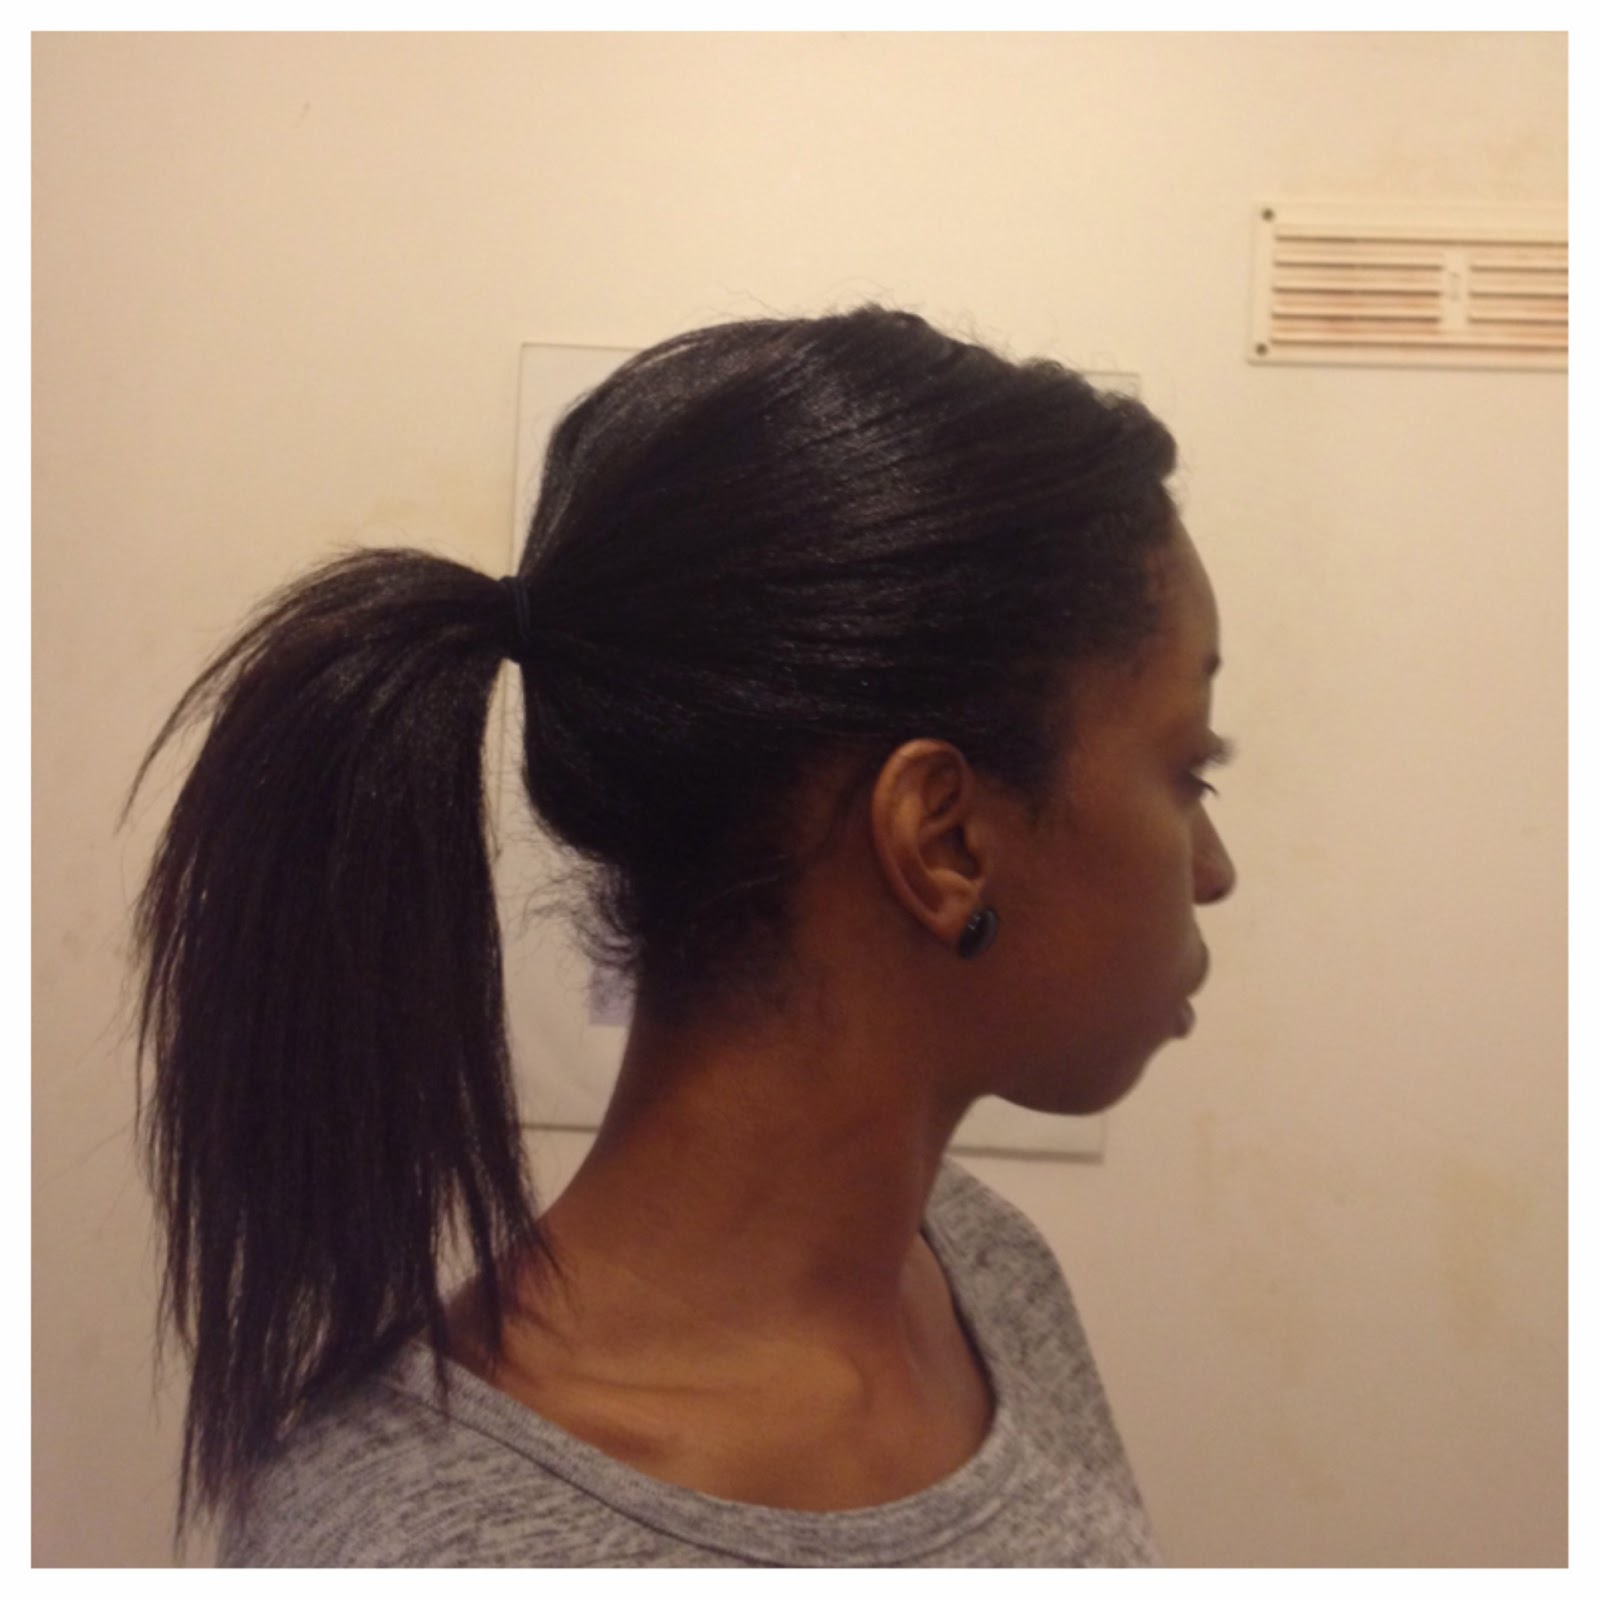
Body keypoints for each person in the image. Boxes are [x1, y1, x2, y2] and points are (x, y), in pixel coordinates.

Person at [121, 304, 1236, 1567]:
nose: (1214, 871)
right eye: (1189, 769)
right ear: (944, 839)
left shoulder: (985, 1274)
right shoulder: (413, 1547)